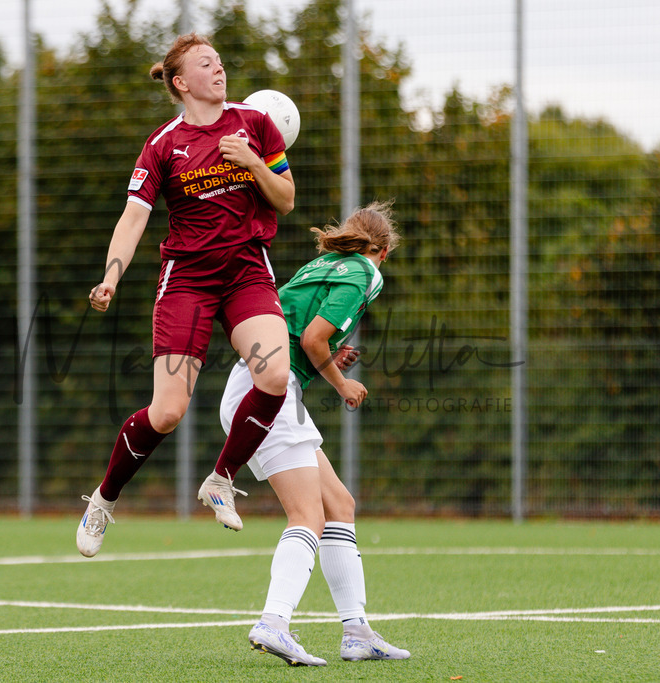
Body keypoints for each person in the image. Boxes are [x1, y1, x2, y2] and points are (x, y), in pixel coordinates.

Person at [77, 32, 295, 557]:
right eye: (206, 64)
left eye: (219, 61)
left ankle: (220, 479)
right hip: (188, 283)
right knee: (168, 411)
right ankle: (104, 500)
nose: (219, 69)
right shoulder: (162, 144)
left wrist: (252, 163)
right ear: (181, 82)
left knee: (275, 376)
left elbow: (285, 199)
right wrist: (111, 276)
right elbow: (133, 218)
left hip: (246, 273)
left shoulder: (255, 124)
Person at [220, 201, 410, 667]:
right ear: (383, 251)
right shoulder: (368, 272)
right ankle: (274, 623)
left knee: (338, 504)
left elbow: (302, 334)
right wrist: (343, 383)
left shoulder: (324, 262)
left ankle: (357, 631)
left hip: (257, 384)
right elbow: (311, 340)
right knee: (307, 514)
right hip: (270, 393)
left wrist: (328, 359)